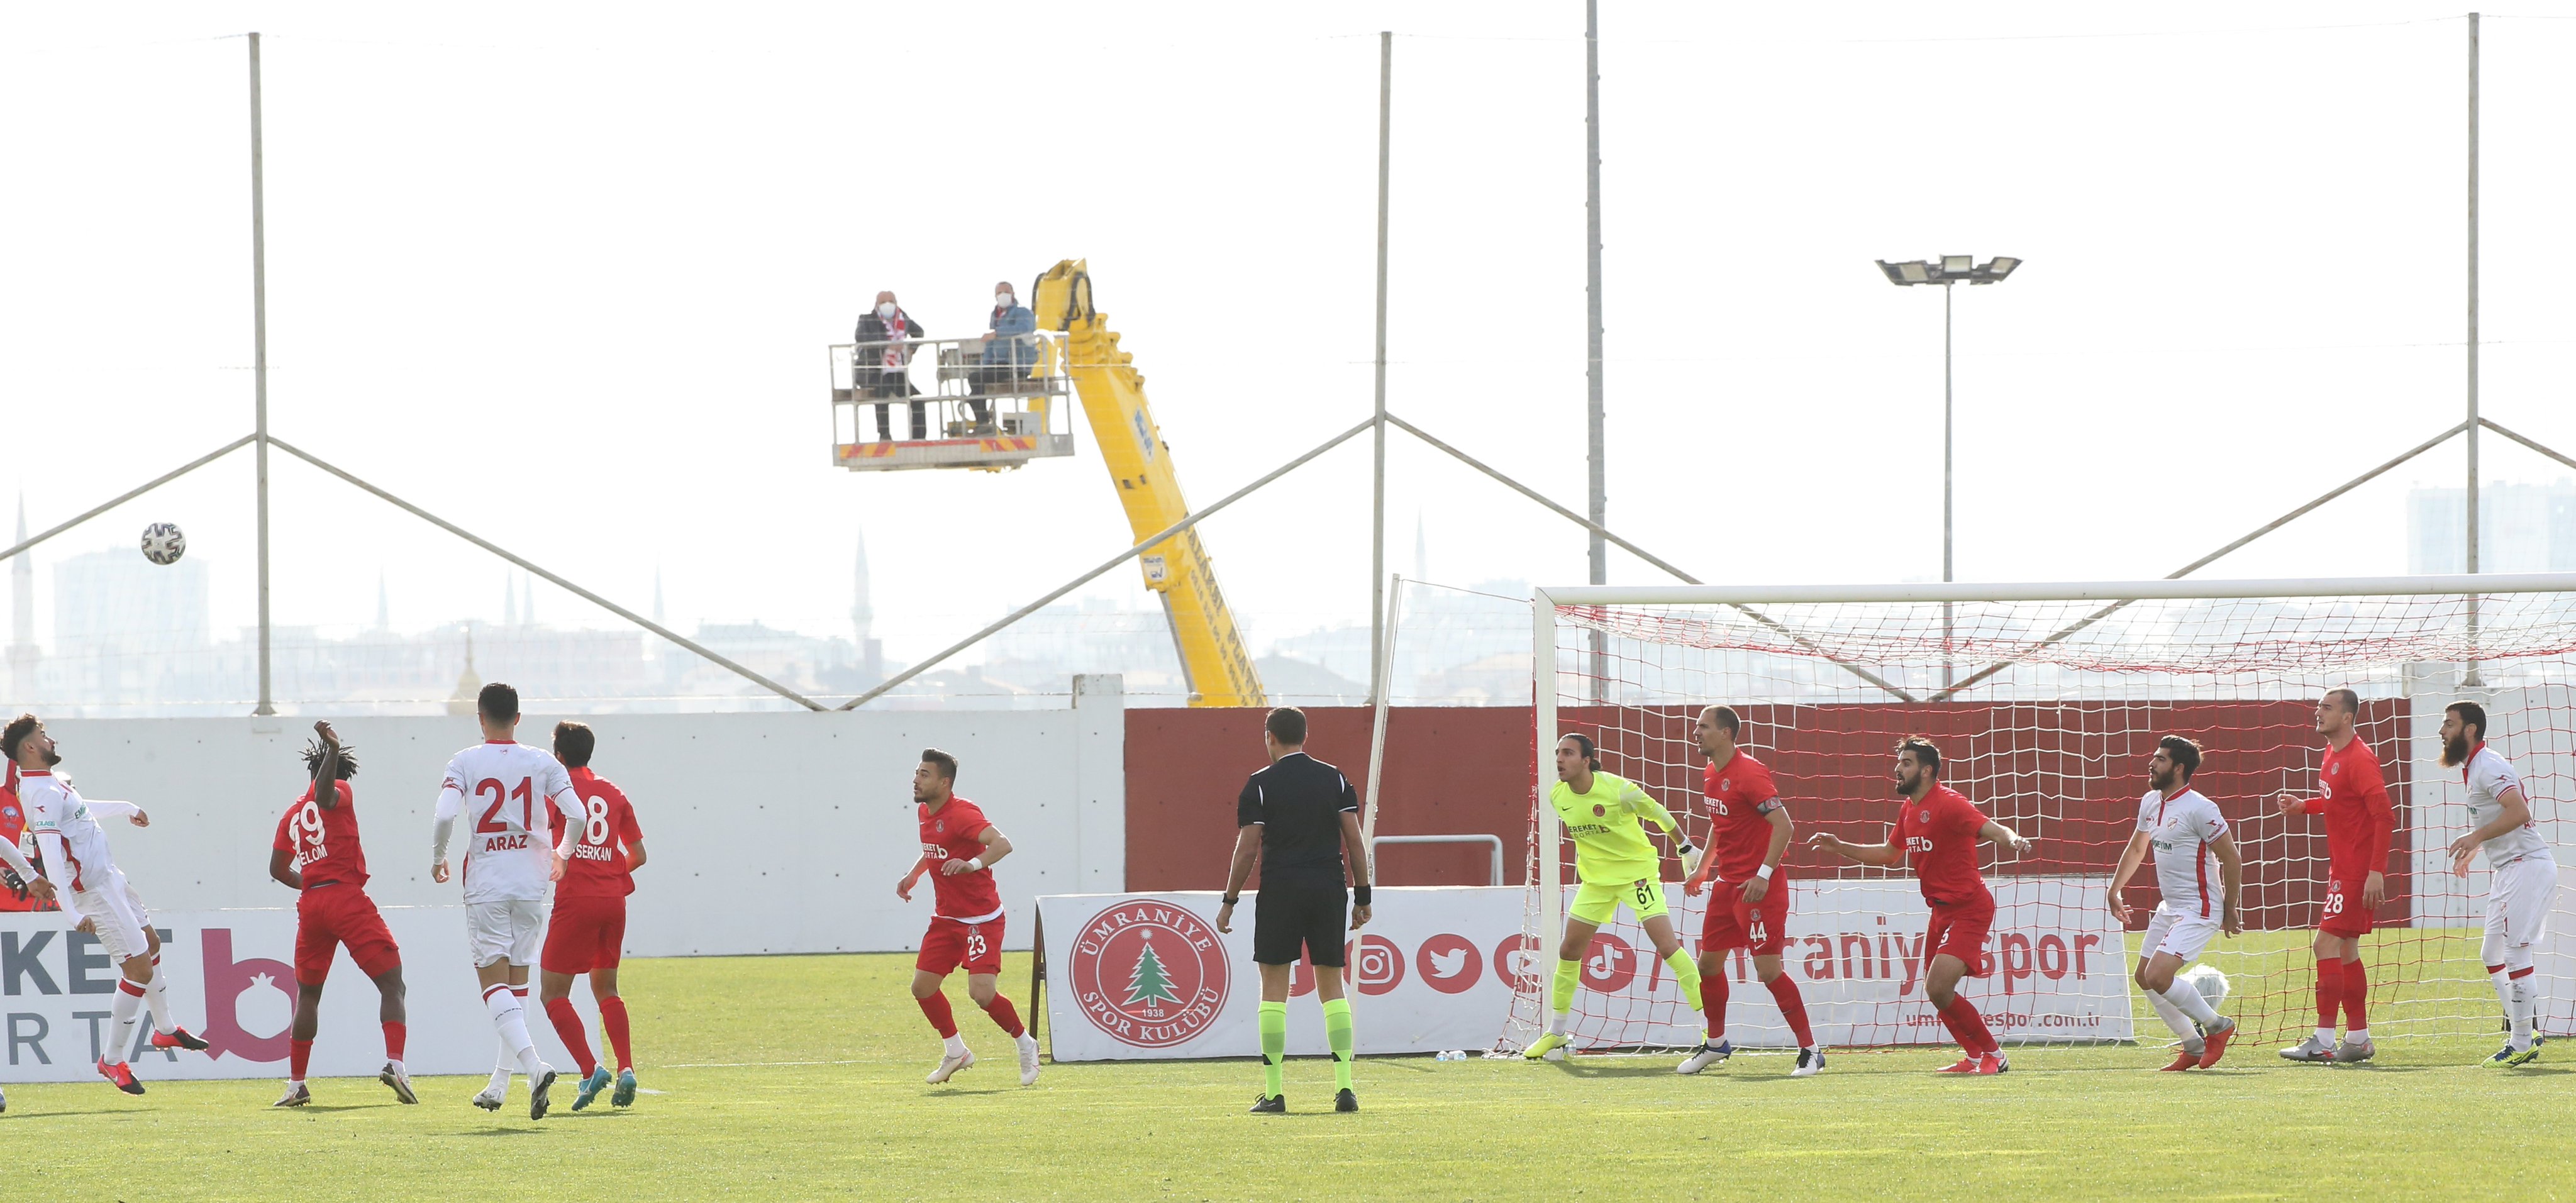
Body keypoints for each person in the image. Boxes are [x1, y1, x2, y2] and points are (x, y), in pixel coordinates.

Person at [1809, 736, 2031, 1073]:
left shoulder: (1950, 803)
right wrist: (1841, 847)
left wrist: (2012, 838)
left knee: (1938, 987)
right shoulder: (1909, 809)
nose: (1897, 769)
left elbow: (1992, 828)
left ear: (1927, 771)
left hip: (1970, 907)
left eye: (1906, 763)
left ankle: (1995, 1056)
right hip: (1940, 911)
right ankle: (1974, 1057)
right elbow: (1889, 854)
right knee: (1936, 992)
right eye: (1899, 762)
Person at [5, 713, 201, 1097]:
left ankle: (164, 1030)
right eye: (43, 736)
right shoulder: (40, 795)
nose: (51, 740)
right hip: (92, 892)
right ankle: (111, 1060)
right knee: (139, 967)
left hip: (110, 876)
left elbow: (80, 810)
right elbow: (48, 852)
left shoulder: (50, 785)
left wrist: (125, 807)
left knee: (152, 944)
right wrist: (72, 911)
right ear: (30, 747)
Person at [431, 682, 585, 1119]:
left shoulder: (465, 760)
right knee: (517, 988)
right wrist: (562, 854)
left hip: (488, 884)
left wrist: (438, 856)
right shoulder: (541, 761)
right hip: (533, 884)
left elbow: (444, 814)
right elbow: (578, 814)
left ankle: (535, 1066)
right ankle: (500, 1083)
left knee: (494, 986)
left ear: (480, 718)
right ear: (518, 717)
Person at [1215, 707, 1374, 1114]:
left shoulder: (1260, 785)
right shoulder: (1335, 778)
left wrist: (1229, 900)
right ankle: (1345, 1088)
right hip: (1328, 888)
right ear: (1305, 736)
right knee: (1332, 987)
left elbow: (1247, 848)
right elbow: (1355, 842)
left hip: (1281, 890)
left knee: (1273, 991)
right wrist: (1363, 896)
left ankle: (1274, 1092)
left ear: (1269, 737)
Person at [1521, 733, 1704, 1062]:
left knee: (1667, 947)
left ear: (1586, 761)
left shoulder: (1619, 789)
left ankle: (1711, 1029)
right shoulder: (1557, 796)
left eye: (1568, 753)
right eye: (1558, 753)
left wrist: (1686, 847)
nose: (1560, 760)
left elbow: (1658, 813)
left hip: (1637, 875)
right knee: (1569, 949)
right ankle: (1558, 1033)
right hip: (1596, 883)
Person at [269, 721, 416, 1107]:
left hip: (313, 903)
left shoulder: (291, 814)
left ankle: (296, 1083)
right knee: (392, 983)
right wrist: (334, 751)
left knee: (308, 995)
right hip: (345, 898)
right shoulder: (339, 790)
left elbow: (277, 869)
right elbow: (326, 796)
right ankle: (397, 1066)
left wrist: (312, 885)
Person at [1678, 705, 1820, 1077]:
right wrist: (1704, 867)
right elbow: (1719, 823)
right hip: (1727, 886)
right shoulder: (1711, 773)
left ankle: (1811, 1050)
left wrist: (1763, 874)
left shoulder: (1750, 773)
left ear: (1725, 733)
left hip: (1760, 887)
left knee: (1768, 970)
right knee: (1708, 965)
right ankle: (1715, 1043)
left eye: (1703, 727)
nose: (1696, 732)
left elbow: (1784, 826)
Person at [897, 748, 1040, 1087]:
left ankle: (1025, 1043)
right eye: (917, 773)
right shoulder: (924, 811)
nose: (916, 780)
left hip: (981, 918)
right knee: (922, 987)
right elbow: (935, 847)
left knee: (982, 994)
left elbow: (1002, 844)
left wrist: (972, 864)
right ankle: (956, 1052)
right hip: (947, 919)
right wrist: (914, 874)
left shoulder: (963, 813)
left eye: (924, 775)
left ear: (945, 783)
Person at [2270, 688, 2395, 1064]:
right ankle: (2357, 1038)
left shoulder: (2360, 759)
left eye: (2326, 708)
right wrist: (2304, 806)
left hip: (2357, 872)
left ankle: (2323, 1040)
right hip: (2344, 868)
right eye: (2318, 707)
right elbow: (2340, 801)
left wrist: (2376, 872)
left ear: (2347, 716)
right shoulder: (2332, 753)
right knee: (2345, 951)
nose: (2317, 713)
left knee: (2323, 947)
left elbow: (2385, 816)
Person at [2104, 736, 2243, 1071]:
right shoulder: (2151, 802)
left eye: (2161, 760)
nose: (2152, 764)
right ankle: (2191, 1043)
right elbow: (2137, 848)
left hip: (2200, 907)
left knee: (2159, 975)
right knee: (2144, 977)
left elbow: (2232, 859)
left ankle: (2217, 1026)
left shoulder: (2200, 808)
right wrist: (2115, 889)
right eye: (2154, 757)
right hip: (2171, 907)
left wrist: (2231, 907)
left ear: (2179, 769)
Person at [537, 721, 648, 1110]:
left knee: (553, 994)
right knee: (607, 990)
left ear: (559, 756)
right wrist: (609, 872)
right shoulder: (614, 793)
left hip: (576, 901)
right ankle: (627, 1069)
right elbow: (638, 855)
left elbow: (537, 842)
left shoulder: (556, 792)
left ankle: (590, 1070)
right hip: (613, 902)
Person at [2440, 701, 2555, 1067]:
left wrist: (2475, 839)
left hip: (2527, 867)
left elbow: (2520, 813)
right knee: (2491, 954)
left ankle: (2522, 1041)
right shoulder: (2475, 767)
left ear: (2470, 730)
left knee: (2516, 953)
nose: (2442, 732)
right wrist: (2477, 848)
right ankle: (2526, 1032)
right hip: (2508, 869)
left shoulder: (2488, 765)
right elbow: (2500, 819)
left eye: (2449, 724)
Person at [855, 291, 929, 441]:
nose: (887, 305)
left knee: (917, 399)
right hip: (874, 372)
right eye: (883, 302)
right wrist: (888, 342)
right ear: (876, 305)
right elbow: (861, 336)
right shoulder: (867, 319)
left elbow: (919, 332)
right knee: (882, 391)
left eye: (891, 301)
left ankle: (919, 438)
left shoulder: (903, 318)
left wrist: (911, 349)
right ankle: (884, 435)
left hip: (896, 372)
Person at [969, 279, 1038, 424]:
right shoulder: (995, 316)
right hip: (999, 365)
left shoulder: (1023, 312)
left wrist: (997, 333)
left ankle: (983, 423)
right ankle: (983, 423)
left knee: (975, 380)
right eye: (999, 293)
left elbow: (1023, 329)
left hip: (1017, 366)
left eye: (1006, 292)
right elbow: (990, 344)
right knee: (974, 392)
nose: (1003, 295)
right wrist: (986, 365)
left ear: (1013, 294)